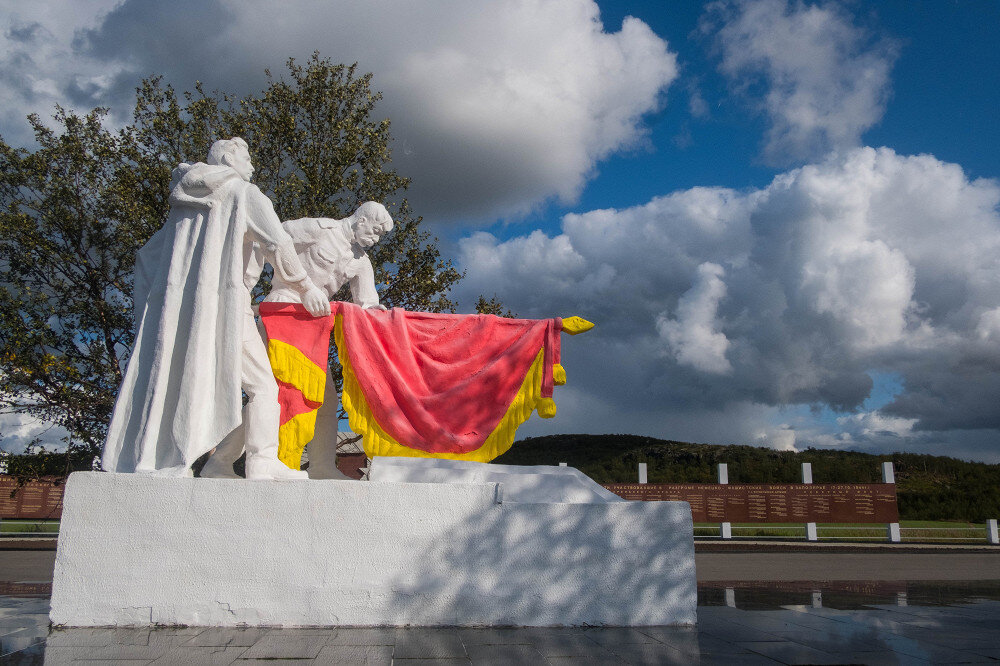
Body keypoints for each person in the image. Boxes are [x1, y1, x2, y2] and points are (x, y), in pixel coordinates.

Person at [102, 138, 329, 480]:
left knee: (180, 378)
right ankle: (262, 460)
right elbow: (278, 243)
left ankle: (211, 463)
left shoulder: (183, 205)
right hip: (227, 305)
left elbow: (148, 256)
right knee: (264, 387)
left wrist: (160, 304)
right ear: (227, 158)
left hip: (183, 311)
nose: (253, 166)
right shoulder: (244, 194)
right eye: (247, 157)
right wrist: (306, 286)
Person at [201, 202, 393, 478]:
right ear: (361, 219)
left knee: (325, 399)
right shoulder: (318, 229)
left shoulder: (361, 261)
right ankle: (220, 460)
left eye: (379, 236)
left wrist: (376, 312)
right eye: (374, 231)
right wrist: (247, 284)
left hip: (314, 326)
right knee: (275, 393)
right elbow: (269, 238)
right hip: (284, 310)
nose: (375, 240)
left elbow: (367, 301)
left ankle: (322, 466)